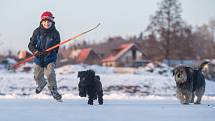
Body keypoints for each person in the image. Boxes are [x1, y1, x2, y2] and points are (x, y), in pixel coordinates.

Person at [28, 11, 62, 101]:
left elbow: (56, 47)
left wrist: (48, 52)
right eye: (45, 21)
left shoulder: (55, 33)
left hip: (50, 58)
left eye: (49, 21)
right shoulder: (36, 32)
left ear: (52, 22)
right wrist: (35, 51)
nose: (47, 23)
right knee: (37, 75)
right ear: (41, 22)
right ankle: (41, 84)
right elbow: (31, 45)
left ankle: (54, 90)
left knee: (50, 73)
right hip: (38, 58)